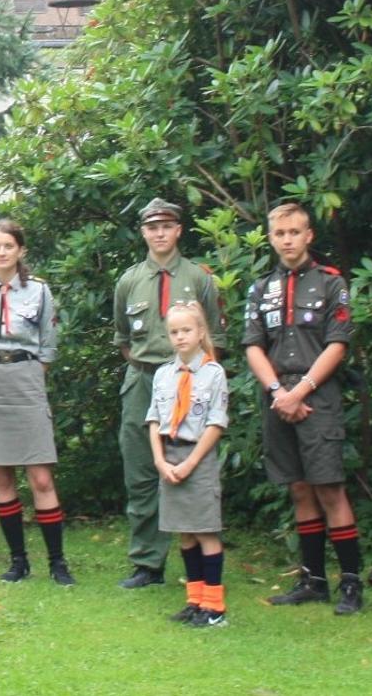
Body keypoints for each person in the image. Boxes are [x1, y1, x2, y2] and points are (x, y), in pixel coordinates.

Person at [243, 203, 365, 613]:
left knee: (329, 488)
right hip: (277, 398)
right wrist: (279, 391)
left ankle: (351, 582)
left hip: (319, 399)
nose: (288, 240)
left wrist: (302, 391)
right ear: (271, 237)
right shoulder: (260, 288)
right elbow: (253, 345)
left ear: (309, 235)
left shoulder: (331, 284)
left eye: (295, 232)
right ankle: (313, 580)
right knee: (297, 487)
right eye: (280, 233)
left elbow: (338, 344)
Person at [111, 197, 223, 589]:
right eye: (152, 226)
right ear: (143, 232)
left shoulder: (199, 278)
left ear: (178, 230)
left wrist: (194, 381)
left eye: (167, 226)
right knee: (141, 472)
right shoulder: (129, 281)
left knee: (190, 464)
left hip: (189, 382)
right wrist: (150, 369)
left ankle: (199, 559)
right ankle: (147, 563)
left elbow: (214, 339)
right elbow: (123, 338)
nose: (159, 233)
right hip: (143, 380)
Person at [0, 220, 73, 586]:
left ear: (20, 250)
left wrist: (32, 375)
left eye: (8, 246)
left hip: (26, 379)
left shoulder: (39, 292)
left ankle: (57, 563)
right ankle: (18, 561)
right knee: (2, 475)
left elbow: (48, 343)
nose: (2, 252)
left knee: (41, 477)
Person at [148, 303, 231, 628]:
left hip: (198, 458)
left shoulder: (213, 373)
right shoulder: (163, 374)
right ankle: (195, 600)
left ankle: (215, 606)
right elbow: (154, 418)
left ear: (200, 333)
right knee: (184, 532)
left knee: (205, 531)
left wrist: (192, 462)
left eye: (186, 331)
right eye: (174, 332)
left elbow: (216, 423)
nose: (180, 337)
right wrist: (159, 460)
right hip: (169, 458)